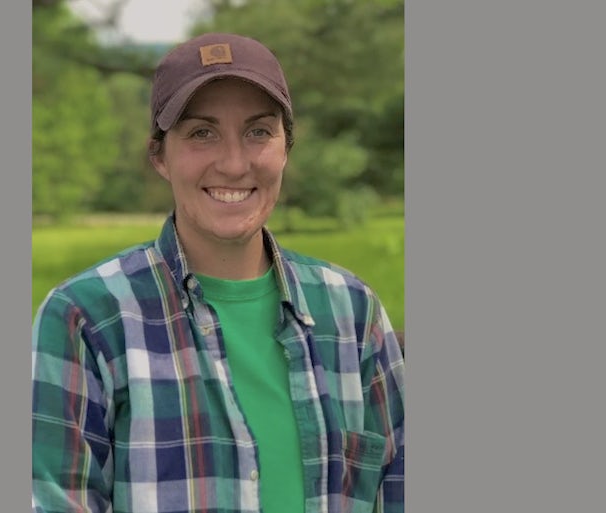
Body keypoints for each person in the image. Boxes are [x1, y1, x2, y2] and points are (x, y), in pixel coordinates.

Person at [32, 32, 404, 513]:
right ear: (159, 156)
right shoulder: (85, 318)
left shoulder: (353, 313)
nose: (233, 163)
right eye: (201, 133)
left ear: (286, 147)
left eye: (258, 132)